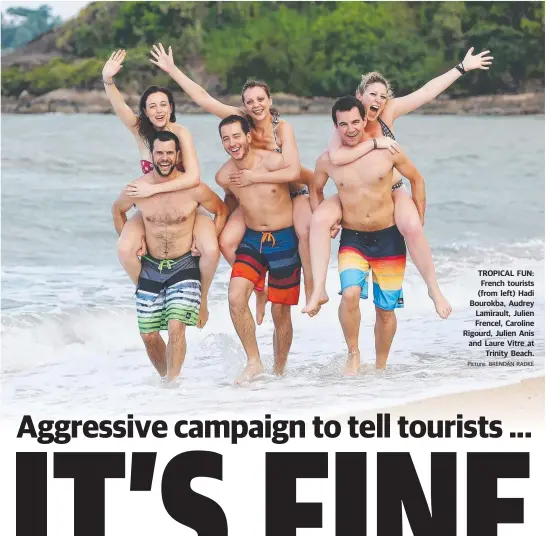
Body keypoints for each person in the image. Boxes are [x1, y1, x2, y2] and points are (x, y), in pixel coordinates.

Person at [303, 47, 494, 318]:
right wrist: (375, 143)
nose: (378, 100)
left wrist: (461, 68)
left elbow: (426, 93)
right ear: (359, 97)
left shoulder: (388, 113)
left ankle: (434, 290)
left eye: (383, 96)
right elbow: (333, 158)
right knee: (320, 220)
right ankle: (318, 290)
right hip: (353, 193)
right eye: (373, 94)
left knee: (411, 225)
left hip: (392, 190)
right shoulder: (346, 123)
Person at [149, 43, 314, 322]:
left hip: (291, 193)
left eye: (261, 100)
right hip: (252, 197)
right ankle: (258, 285)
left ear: (270, 100)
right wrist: (172, 70)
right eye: (250, 102)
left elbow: (302, 174)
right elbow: (204, 98)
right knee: (225, 241)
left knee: (306, 233)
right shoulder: (241, 123)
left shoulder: (280, 129)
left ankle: (313, 289)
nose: (256, 106)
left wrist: (320, 206)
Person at [102, 49, 221, 328]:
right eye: (152, 105)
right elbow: (120, 107)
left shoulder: (181, 134)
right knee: (125, 248)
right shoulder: (140, 131)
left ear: (171, 108)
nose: (158, 110)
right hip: (150, 209)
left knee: (211, 251)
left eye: (163, 104)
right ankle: (148, 289)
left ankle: (201, 300)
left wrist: (150, 191)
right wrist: (107, 80)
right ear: (144, 110)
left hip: (183, 205)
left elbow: (193, 177)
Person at [312, 96, 426, 375]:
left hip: (389, 238)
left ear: (365, 121)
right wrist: (327, 222)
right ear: (335, 127)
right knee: (349, 294)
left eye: (355, 122)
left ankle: (380, 367)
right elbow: (315, 189)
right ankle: (353, 353)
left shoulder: (388, 151)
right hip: (354, 239)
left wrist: (418, 219)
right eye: (343, 124)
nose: (350, 129)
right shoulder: (327, 161)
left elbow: (416, 178)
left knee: (385, 310)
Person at [112, 131, 228, 381]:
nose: (164, 158)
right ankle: (168, 383)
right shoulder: (138, 188)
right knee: (149, 335)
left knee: (176, 326)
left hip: (184, 264)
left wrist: (205, 238)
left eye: (169, 153)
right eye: (159, 153)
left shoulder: (194, 189)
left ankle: (173, 384)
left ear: (177, 156)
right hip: (151, 266)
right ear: (152, 155)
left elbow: (221, 210)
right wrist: (134, 240)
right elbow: (117, 209)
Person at [215, 115, 301, 383]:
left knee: (280, 312)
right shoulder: (224, 175)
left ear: (249, 136)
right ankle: (254, 361)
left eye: (236, 136)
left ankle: (279, 370)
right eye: (226, 139)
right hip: (253, 239)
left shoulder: (274, 161)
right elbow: (229, 202)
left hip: (285, 239)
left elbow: (301, 182)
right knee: (235, 297)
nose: (232, 143)